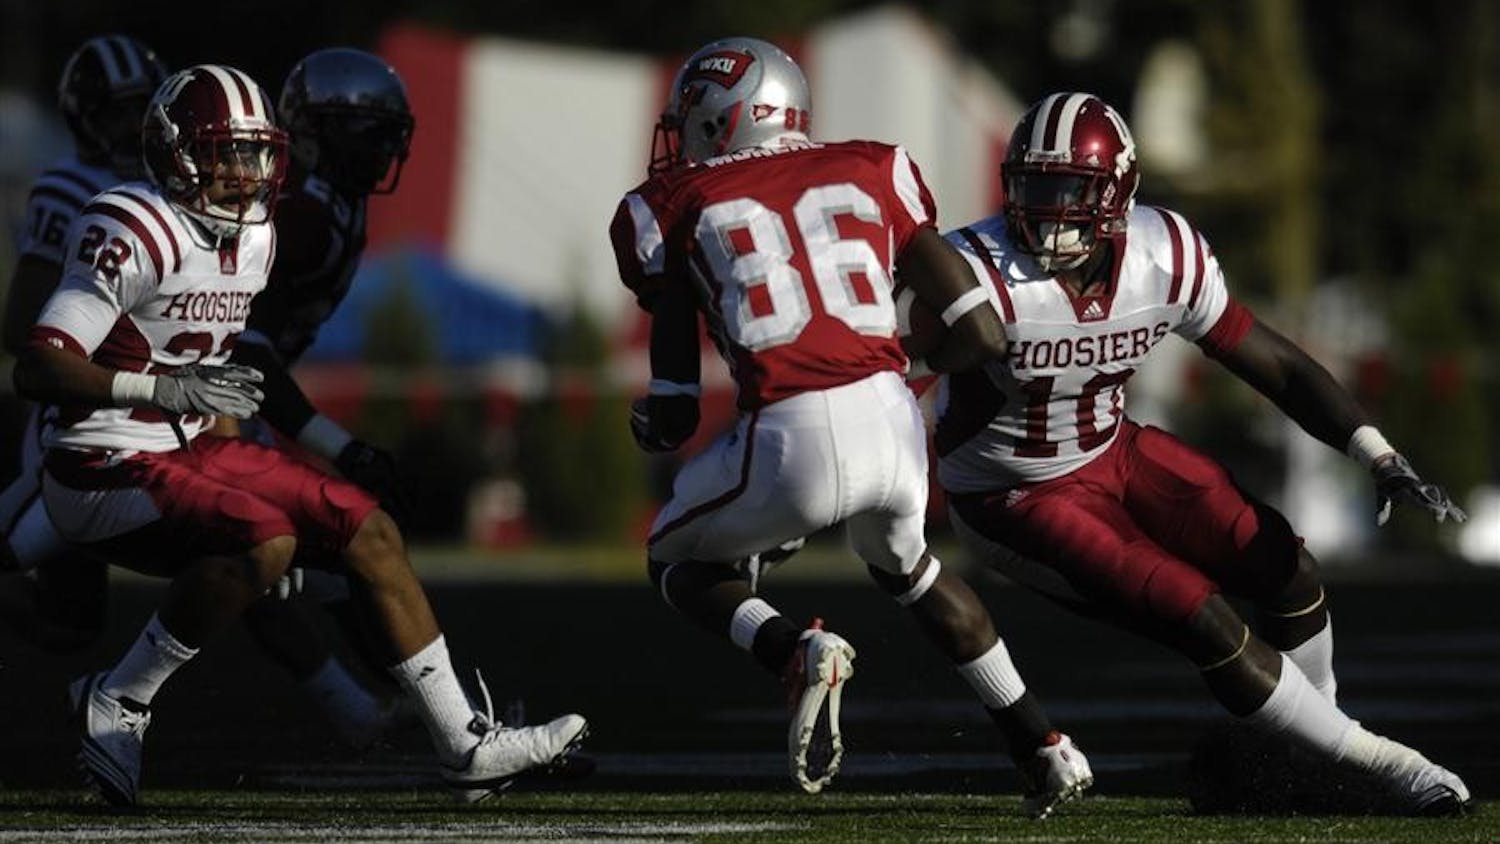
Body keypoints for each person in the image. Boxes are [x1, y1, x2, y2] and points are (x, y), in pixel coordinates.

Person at [12, 64, 586, 807]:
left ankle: (465, 745)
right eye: (232, 152)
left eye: (260, 152)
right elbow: (40, 365)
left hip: (185, 447)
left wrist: (244, 466)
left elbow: (225, 370)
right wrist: (158, 389)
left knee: (367, 529)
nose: (253, 172)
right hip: (101, 460)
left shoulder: (255, 238)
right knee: (264, 538)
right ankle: (120, 701)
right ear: (179, 154)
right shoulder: (132, 224)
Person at [935, 91, 1471, 816]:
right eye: (1032, 186)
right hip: (1013, 495)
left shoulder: (1164, 255)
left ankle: (1296, 758)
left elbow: (1271, 363)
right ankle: (1382, 765)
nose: (1047, 208)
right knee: (1203, 615)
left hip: (1112, 451)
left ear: (1117, 193)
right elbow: (884, 374)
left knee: (1284, 561)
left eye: (1068, 189)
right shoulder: (971, 267)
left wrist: (1374, 450)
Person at [608, 37, 1091, 816]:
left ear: (723, 118)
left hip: (790, 431)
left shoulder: (666, 205)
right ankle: (1043, 746)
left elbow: (675, 406)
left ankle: (795, 651)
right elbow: (981, 333)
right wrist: (892, 373)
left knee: (673, 557)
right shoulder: (876, 166)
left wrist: (655, 427)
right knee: (912, 571)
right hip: (892, 419)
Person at [222, 46, 420, 749]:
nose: (381, 149)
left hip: (224, 400)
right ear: (310, 128)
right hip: (188, 399)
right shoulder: (300, 213)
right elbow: (243, 351)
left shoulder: (328, 203)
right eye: (363, 130)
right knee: (286, 555)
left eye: (387, 132)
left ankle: (374, 711)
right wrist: (343, 446)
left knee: (292, 562)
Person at [0, 35, 168, 649]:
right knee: (65, 615)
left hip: (145, 415)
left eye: (144, 107)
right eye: (119, 111)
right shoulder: (71, 188)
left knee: (74, 624)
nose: (135, 125)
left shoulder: (168, 190)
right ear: (85, 119)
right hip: (76, 422)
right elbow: (21, 325)